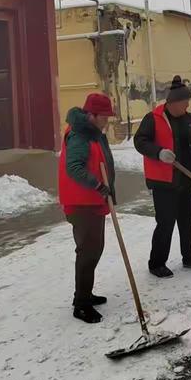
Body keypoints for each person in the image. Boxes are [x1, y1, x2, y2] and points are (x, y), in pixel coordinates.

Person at [134, 76, 191, 278]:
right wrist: (158, 152)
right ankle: (157, 263)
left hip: (186, 180)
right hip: (164, 182)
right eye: (185, 102)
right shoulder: (154, 118)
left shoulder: (186, 119)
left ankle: (190, 257)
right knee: (166, 223)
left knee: (188, 221)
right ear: (173, 102)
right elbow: (140, 141)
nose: (187, 105)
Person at [58, 93, 116, 324]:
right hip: (81, 203)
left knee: (94, 249)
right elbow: (74, 167)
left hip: (92, 201)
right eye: (104, 117)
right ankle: (81, 304)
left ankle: (85, 294)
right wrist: (98, 185)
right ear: (91, 115)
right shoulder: (79, 135)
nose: (107, 121)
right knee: (88, 251)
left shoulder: (93, 133)